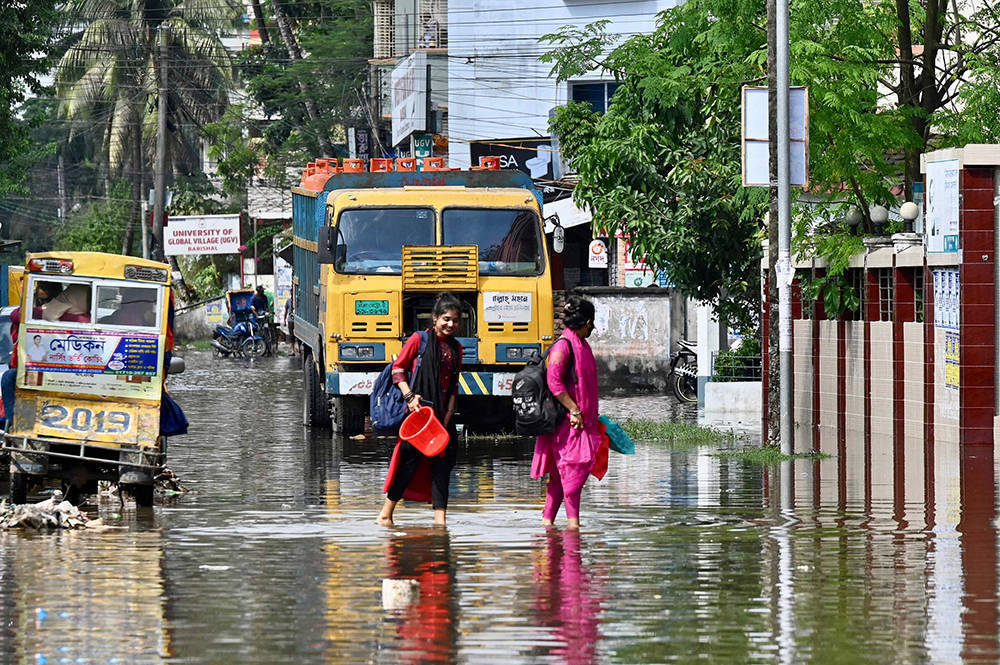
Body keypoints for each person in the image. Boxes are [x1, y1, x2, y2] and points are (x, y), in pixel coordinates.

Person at [378, 292, 463, 527]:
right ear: (434, 319)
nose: (450, 324)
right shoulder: (419, 339)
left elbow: (454, 384)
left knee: (442, 467)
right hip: (419, 415)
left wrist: (448, 414)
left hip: (443, 417)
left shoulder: (456, 348)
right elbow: (398, 370)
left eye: (455, 320)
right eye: (446, 318)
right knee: (409, 463)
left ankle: (440, 523)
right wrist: (409, 397)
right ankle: (386, 514)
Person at [531, 295, 603, 529]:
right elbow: (554, 382)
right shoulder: (564, 346)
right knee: (571, 475)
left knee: (561, 477)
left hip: (582, 421)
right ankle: (574, 528)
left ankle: (547, 525)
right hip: (568, 422)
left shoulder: (581, 345)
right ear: (589, 323)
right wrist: (574, 409)